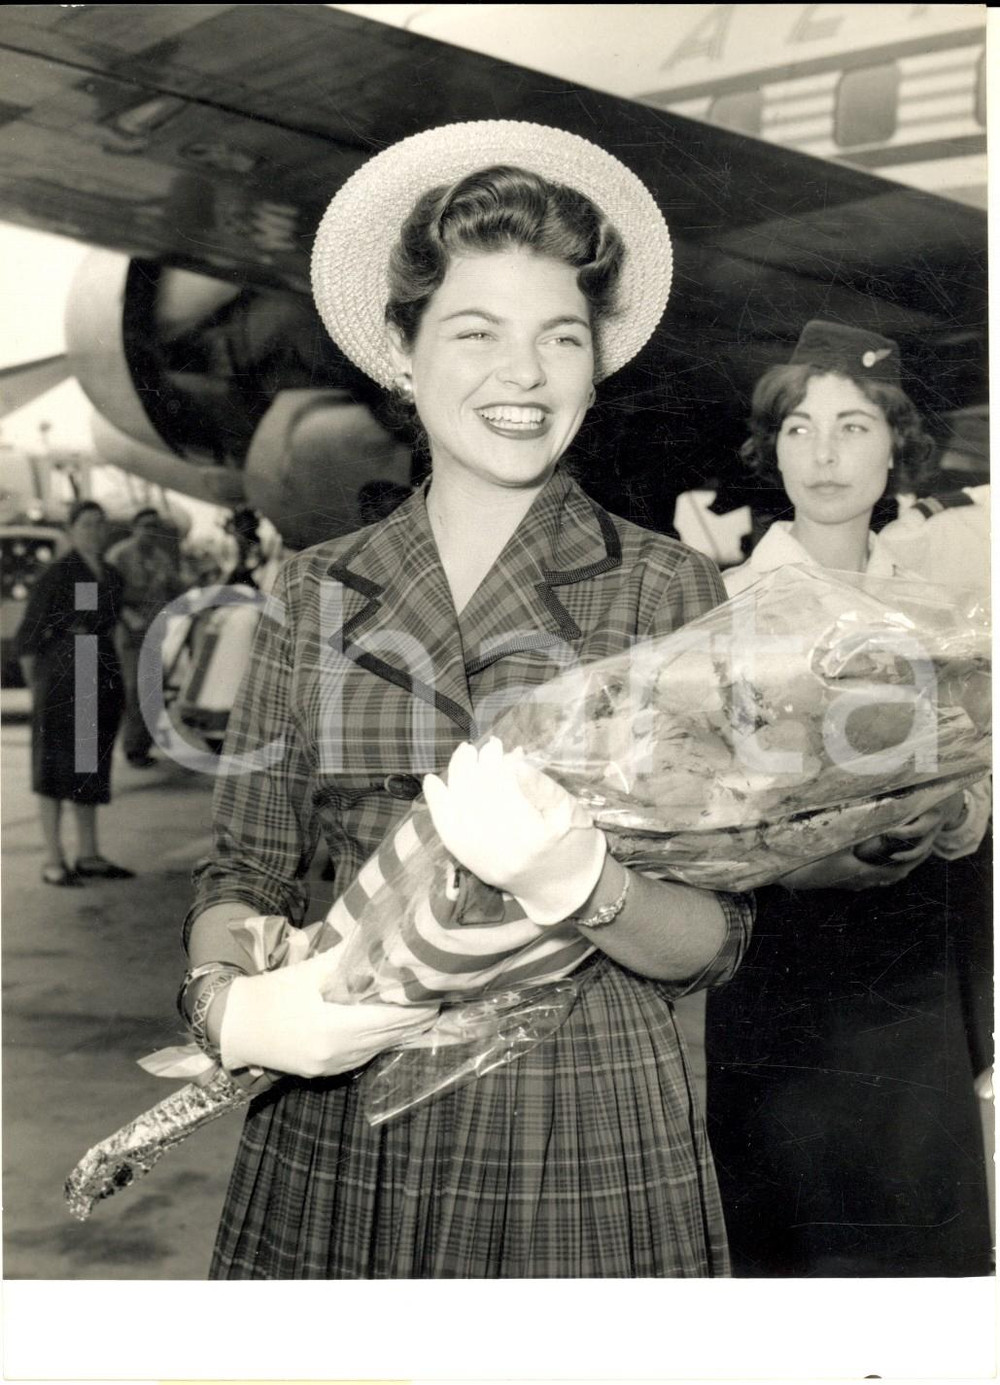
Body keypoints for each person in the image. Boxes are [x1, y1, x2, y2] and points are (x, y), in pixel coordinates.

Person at [181, 120, 754, 1279]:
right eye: (475, 330)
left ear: (596, 362)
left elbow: (716, 937)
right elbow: (244, 871)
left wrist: (582, 885)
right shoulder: (312, 590)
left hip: (578, 1125)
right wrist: (231, 1003)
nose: (524, 374)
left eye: (560, 336)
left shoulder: (667, 589)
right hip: (338, 1122)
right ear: (401, 350)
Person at [703, 320, 992, 1277]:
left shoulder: (939, 611)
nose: (824, 454)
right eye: (800, 428)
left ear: (896, 446)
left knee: (923, 1255)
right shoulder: (719, 606)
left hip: (911, 978)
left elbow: (975, 790)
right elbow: (694, 802)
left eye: (853, 427)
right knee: (787, 1258)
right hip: (775, 974)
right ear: (773, 449)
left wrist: (950, 816)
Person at [16, 499, 134, 885]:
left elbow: (110, 625)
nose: (94, 530)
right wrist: (38, 687)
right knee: (53, 767)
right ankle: (54, 860)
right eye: (86, 524)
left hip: (98, 667)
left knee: (89, 765)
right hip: (64, 671)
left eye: (100, 523)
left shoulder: (110, 575)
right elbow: (29, 635)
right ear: (70, 530)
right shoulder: (59, 573)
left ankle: (89, 854)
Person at [106, 507, 184, 767]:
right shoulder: (119, 555)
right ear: (135, 527)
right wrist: (127, 617)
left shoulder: (161, 558)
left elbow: (176, 587)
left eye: (155, 527)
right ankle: (132, 748)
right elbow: (107, 594)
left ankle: (141, 747)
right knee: (134, 688)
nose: (150, 531)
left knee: (152, 687)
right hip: (128, 633)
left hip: (154, 632)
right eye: (146, 525)